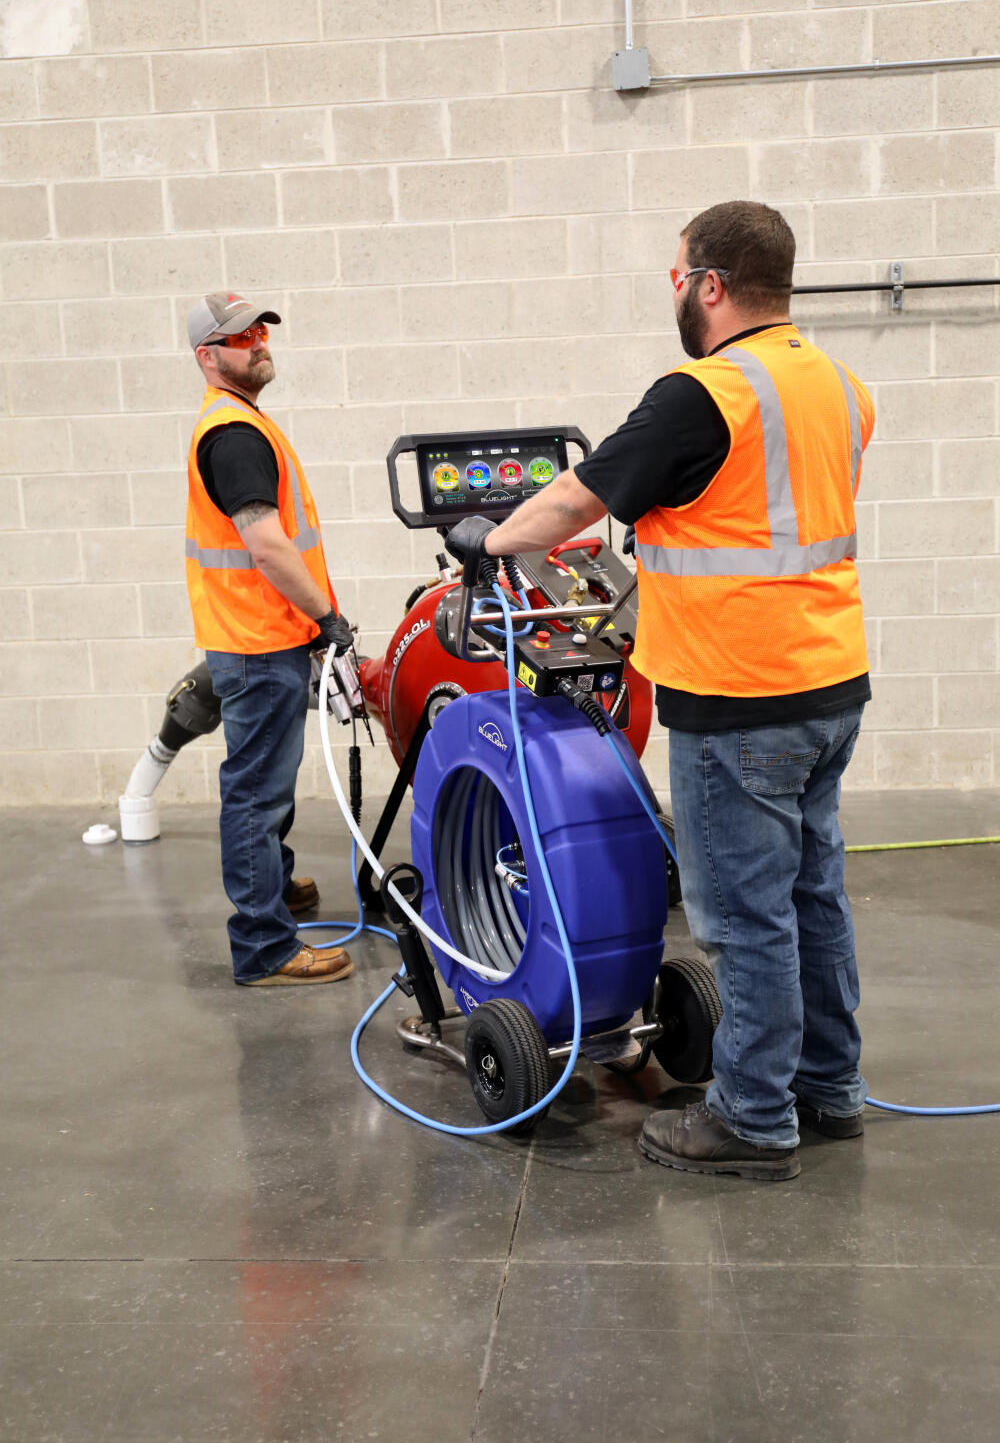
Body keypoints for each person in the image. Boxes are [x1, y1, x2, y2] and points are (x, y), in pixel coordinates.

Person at [445, 201, 874, 1181]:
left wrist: (489, 537)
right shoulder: (840, 386)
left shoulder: (704, 392)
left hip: (738, 697)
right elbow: (739, 507)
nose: (675, 294)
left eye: (677, 278)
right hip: (829, 681)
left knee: (743, 919)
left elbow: (575, 497)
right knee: (813, 897)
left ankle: (752, 1120)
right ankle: (828, 1089)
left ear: (710, 286)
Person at [185, 291, 355, 987]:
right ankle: (264, 947)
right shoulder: (234, 436)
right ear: (208, 357)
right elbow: (267, 547)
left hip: (260, 635)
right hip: (258, 643)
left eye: (260, 330)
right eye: (239, 337)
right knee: (255, 794)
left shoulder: (242, 423)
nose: (258, 343)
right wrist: (327, 619)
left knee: (267, 784)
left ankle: (275, 886)